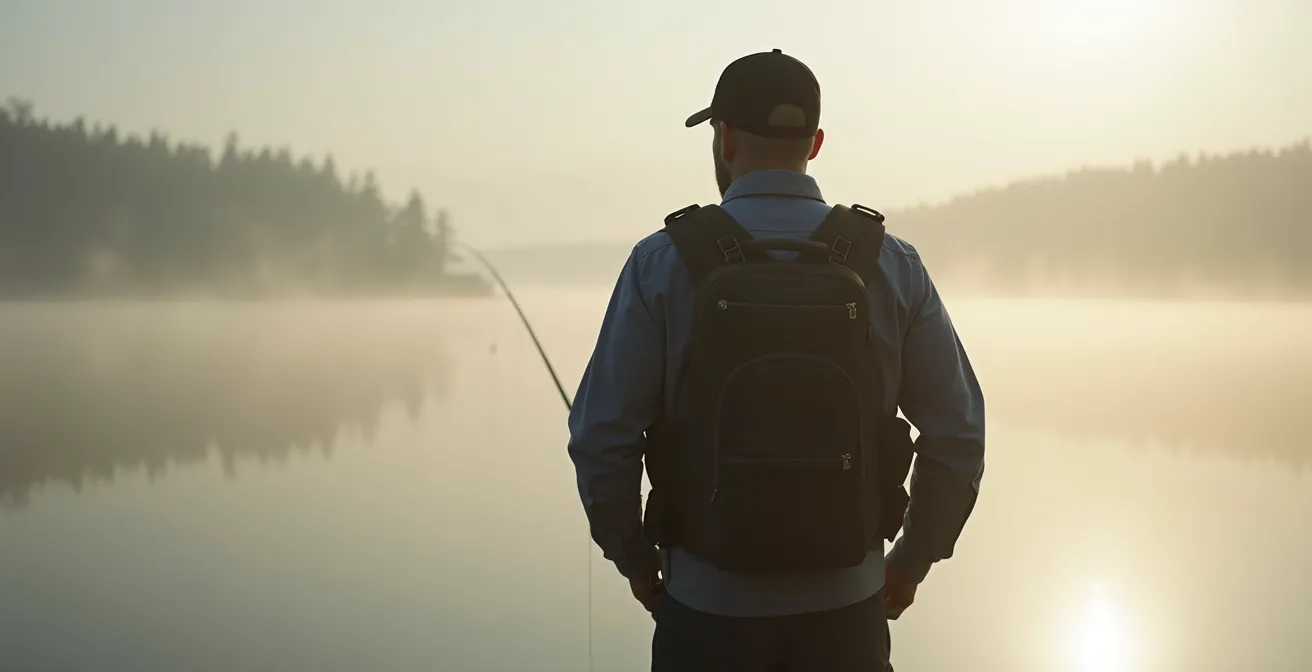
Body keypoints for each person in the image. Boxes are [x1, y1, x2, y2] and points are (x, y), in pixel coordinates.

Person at [567, 48, 986, 672]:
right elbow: (957, 434)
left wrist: (637, 559)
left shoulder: (660, 263)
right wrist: (910, 561)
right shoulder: (893, 263)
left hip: (704, 612)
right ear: (814, 144)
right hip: (848, 611)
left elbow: (601, 439)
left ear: (725, 138)